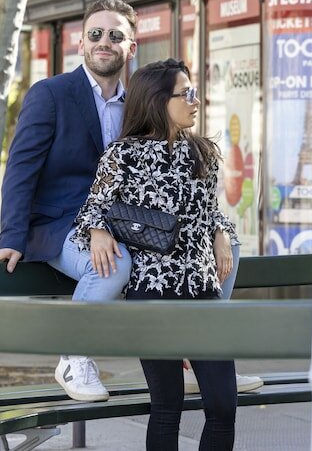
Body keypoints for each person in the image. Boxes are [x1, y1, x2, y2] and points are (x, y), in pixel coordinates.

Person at [73, 58, 238, 450]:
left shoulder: (203, 152)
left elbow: (212, 212)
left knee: (223, 405)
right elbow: (92, 210)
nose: (195, 101)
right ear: (158, 100)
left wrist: (222, 232)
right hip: (154, 294)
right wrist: (97, 231)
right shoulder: (123, 155)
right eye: (186, 94)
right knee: (167, 407)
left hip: (202, 291)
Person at [0, 0, 137, 402]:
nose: (103, 42)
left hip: (121, 226)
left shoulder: (139, 104)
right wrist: (12, 236)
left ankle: (191, 356)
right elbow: (21, 170)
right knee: (112, 267)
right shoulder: (51, 94)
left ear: (131, 47)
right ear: (81, 44)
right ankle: (74, 358)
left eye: (114, 35)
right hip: (57, 225)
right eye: (95, 34)